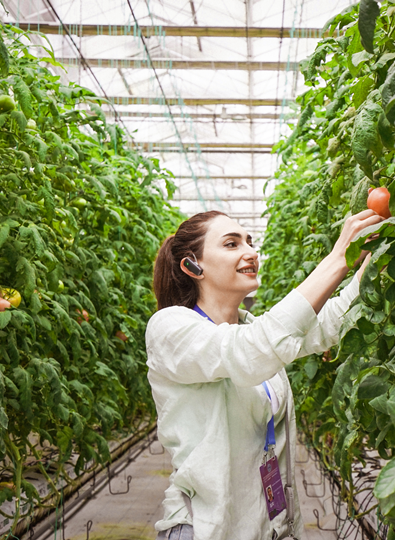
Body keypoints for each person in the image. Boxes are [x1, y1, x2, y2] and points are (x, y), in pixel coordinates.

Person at [145, 209, 383, 540]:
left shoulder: (251, 327)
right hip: (205, 528)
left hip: (266, 526)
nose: (250, 252)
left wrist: (380, 254)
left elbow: (325, 326)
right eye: (231, 244)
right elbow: (249, 350)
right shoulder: (169, 328)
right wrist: (339, 257)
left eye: (250, 242)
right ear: (192, 266)